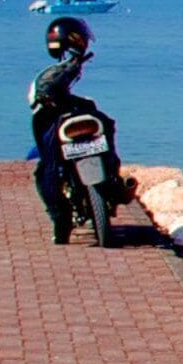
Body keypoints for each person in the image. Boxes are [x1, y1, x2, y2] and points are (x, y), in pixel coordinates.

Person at [27, 16, 116, 243]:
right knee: (48, 167)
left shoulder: (61, 67)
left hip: (54, 117)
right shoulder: (68, 65)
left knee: (46, 169)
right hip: (63, 115)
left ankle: (60, 219)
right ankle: (112, 182)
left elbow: (46, 92)